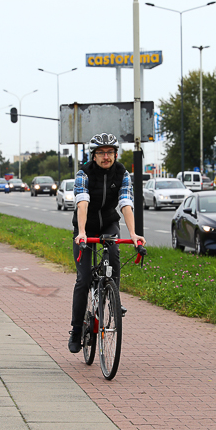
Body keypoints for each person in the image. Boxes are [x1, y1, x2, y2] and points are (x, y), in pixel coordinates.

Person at [69, 133, 146, 353]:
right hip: (85, 226)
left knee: (113, 256)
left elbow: (126, 202)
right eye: (101, 153)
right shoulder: (83, 174)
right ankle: (76, 330)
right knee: (83, 279)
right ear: (93, 155)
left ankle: (113, 299)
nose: (106, 157)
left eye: (110, 152)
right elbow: (82, 202)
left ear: (115, 154)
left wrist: (133, 233)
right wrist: (82, 232)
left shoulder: (122, 173)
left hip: (108, 225)